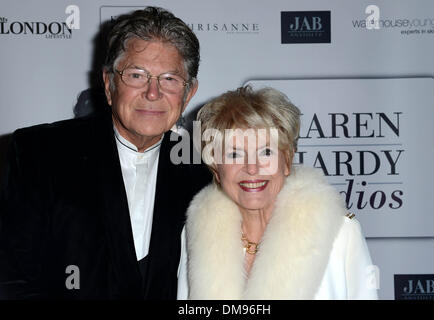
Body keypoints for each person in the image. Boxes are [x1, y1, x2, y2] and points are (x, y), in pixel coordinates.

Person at [0, 7, 210, 299]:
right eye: (137, 75)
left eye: (169, 79)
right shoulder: (40, 153)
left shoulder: (204, 170)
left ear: (188, 94)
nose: (152, 93)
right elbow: (12, 279)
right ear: (109, 84)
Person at [177, 86, 379, 299]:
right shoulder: (197, 233)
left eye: (266, 152)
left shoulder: (340, 234)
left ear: (287, 161)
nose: (252, 168)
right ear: (216, 169)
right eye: (234, 154)